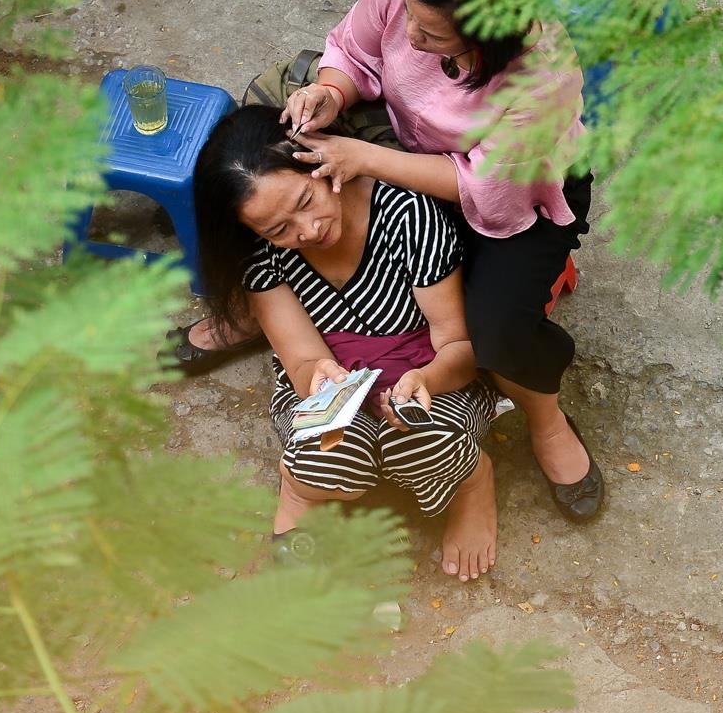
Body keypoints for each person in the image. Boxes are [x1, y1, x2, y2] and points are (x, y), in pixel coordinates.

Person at [176, 0, 605, 521]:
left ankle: (546, 418)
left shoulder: (543, 78)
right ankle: (264, 306)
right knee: (254, 164)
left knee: (496, 330)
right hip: (404, 140)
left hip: (510, 192)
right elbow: (354, 50)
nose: (411, 35)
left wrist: (365, 158)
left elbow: (487, 189)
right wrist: (331, 92)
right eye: (410, 15)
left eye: (433, 37)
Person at [194, 105, 502, 580]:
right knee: (327, 455)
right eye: (279, 230)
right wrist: (314, 376)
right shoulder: (259, 257)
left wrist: (426, 379)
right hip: (336, 390)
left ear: (320, 163)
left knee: (421, 442)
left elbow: (459, 351)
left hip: (432, 382)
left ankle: (472, 482)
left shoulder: (408, 216)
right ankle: (298, 490)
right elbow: (300, 360)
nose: (308, 229)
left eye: (305, 199)